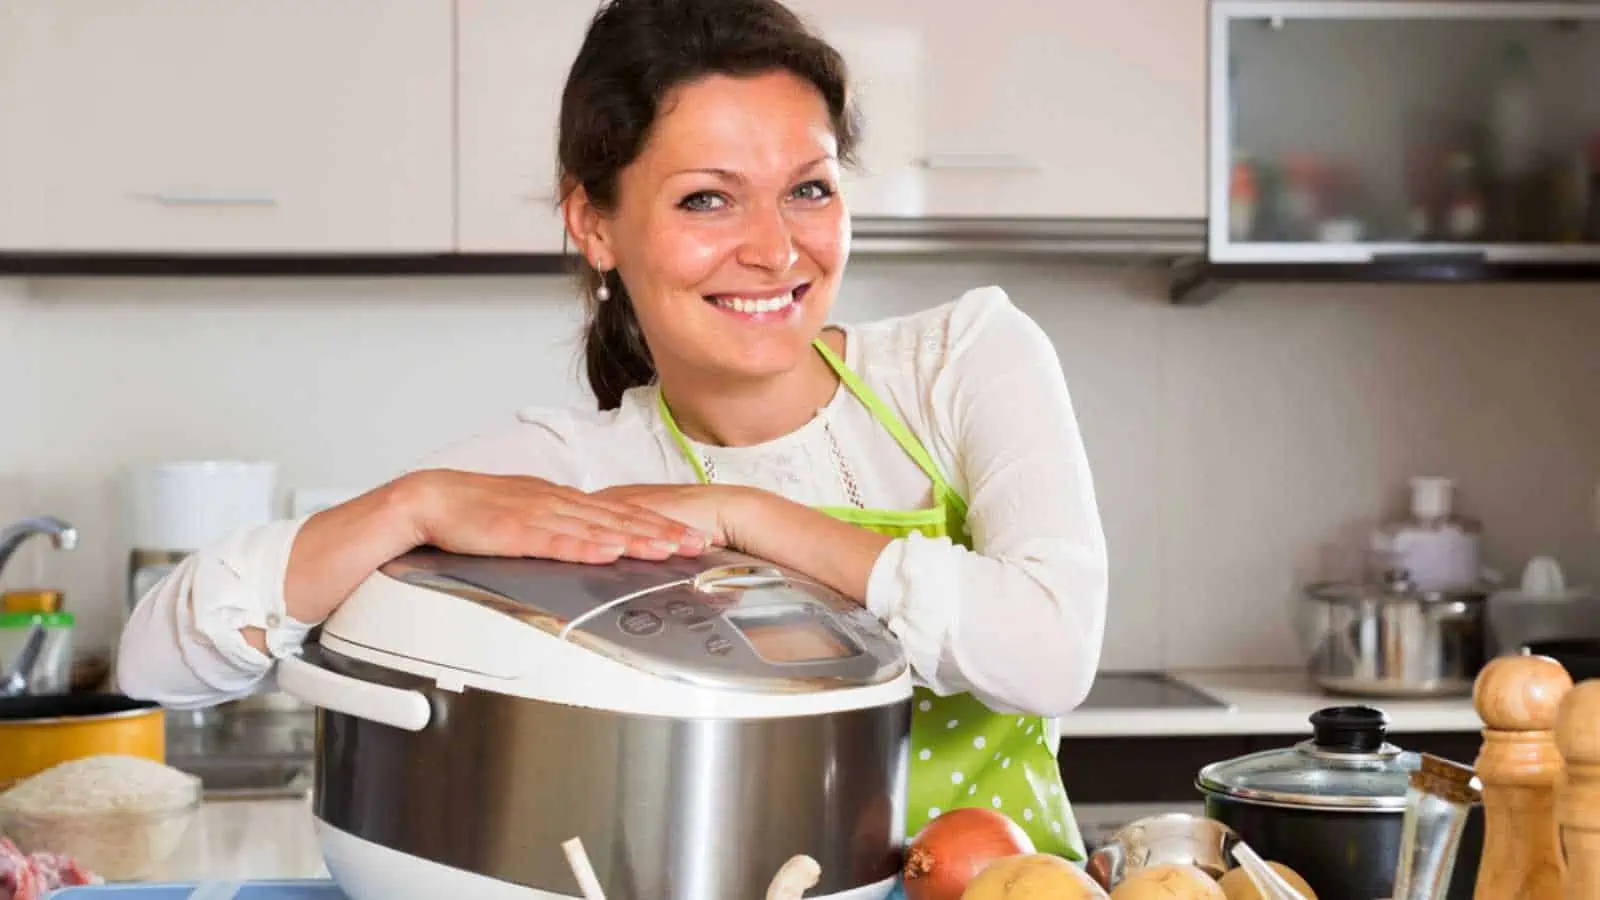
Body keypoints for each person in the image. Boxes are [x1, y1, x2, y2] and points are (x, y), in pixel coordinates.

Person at [116, 0, 1108, 862]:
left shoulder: (962, 359)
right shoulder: (576, 472)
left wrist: (744, 514)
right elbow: (158, 661)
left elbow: (1049, 656)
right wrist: (409, 504)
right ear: (594, 224)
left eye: (809, 188)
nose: (773, 249)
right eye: (706, 199)